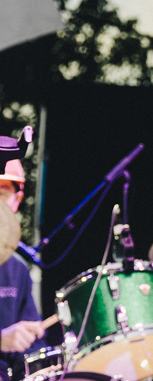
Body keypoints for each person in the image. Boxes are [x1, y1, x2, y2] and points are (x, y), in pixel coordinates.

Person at [0, 131, 44, 379]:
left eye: (3, 191)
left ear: (17, 200)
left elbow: (33, 347)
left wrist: (30, 341)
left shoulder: (18, 268)